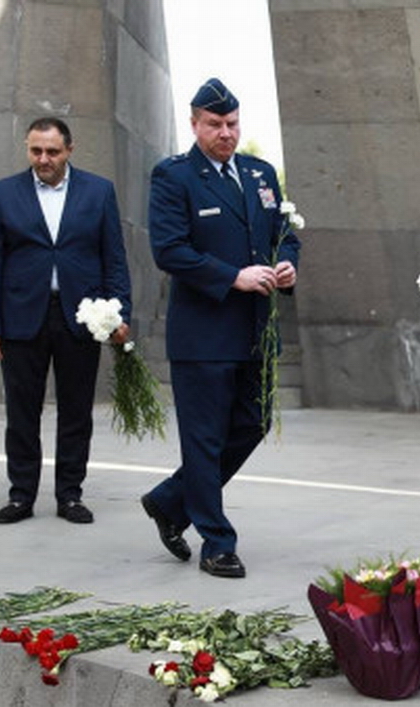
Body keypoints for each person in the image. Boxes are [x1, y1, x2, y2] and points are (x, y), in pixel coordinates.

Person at [141, 78, 300, 579]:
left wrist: (287, 263)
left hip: (255, 330)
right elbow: (169, 250)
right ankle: (216, 541)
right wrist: (233, 276)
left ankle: (171, 500)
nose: (226, 133)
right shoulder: (175, 177)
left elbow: (284, 232)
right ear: (195, 125)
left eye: (232, 124)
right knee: (205, 438)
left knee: (253, 424)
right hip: (203, 334)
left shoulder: (259, 172)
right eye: (214, 125)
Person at [0, 116, 132, 525]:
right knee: (21, 412)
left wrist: (119, 314)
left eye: (52, 151)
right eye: (36, 151)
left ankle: (70, 496)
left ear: (69, 150)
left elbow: (114, 258)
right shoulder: (1, 194)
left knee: (77, 411)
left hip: (81, 317)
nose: (43, 159)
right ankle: (21, 496)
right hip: (20, 317)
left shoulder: (99, 192)